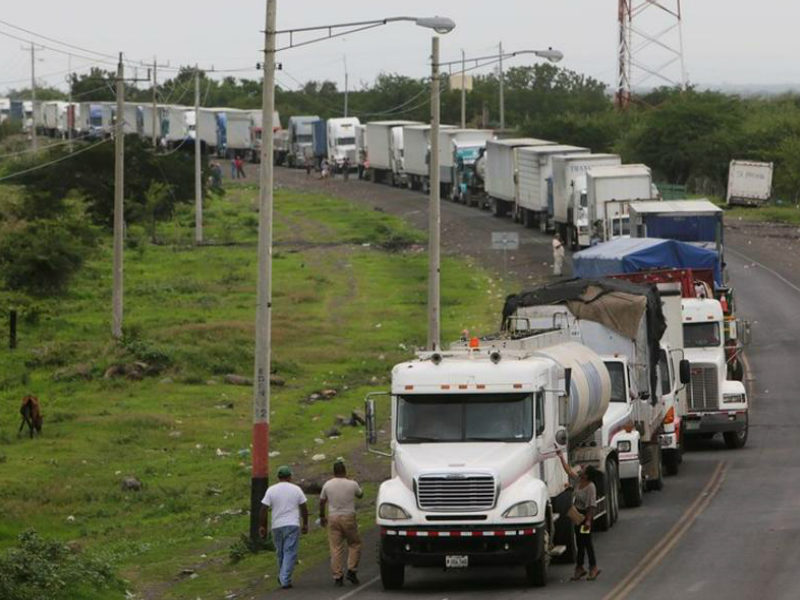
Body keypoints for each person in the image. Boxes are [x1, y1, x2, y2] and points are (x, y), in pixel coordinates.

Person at [259, 465, 309, 589]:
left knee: (280, 552)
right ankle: (285, 579)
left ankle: (283, 575)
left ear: (278, 477)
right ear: (289, 477)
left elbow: (263, 509)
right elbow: (304, 507)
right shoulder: (296, 489)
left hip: (277, 525)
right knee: (289, 552)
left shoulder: (271, 490)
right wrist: (305, 523)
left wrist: (262, 526)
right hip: (292, 524)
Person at [557, 450, 600, 581]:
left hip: (585, 517)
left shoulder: (591, 487)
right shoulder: (578, 481)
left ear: (587, 476)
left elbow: (591, 506)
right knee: (580, 543)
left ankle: (593, 567)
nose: (581, 470)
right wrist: (561, 457)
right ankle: (579, 568)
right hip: (577, 517)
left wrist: (588, 521)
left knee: (587, 543)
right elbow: (568, 471)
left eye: (584, 470)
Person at [319, 459, 363, 586]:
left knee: (336, 547)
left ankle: (338, 576)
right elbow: (360, 495)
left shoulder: (327, 485)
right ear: (345, 471)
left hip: (333, 517)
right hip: (348, 516)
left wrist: (322, 516)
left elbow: (322, 501)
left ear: (333, 472)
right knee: (354, 544)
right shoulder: (352, 484)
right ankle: (352, 569)